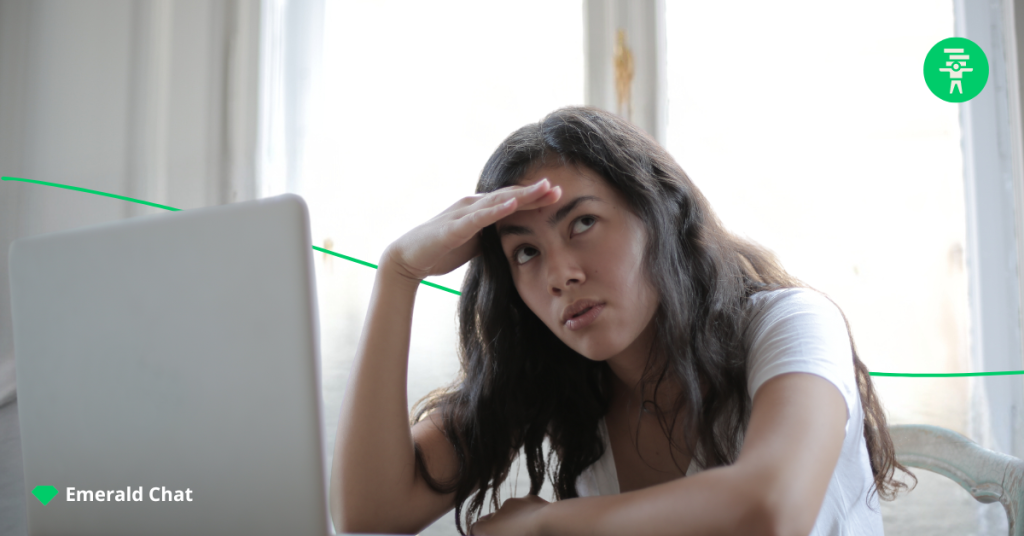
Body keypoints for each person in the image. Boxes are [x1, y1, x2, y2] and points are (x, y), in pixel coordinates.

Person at [329, 106, 915, 536]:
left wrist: (547, 526)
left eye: (582, 223)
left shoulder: (790, 325)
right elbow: (371, 513)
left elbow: (772, 510)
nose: (560, 275)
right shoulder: (556, 374)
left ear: (660, 213)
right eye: (526, 252)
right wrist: (398, 273)